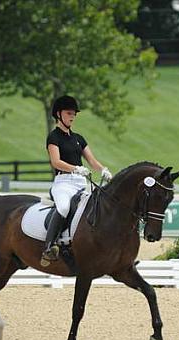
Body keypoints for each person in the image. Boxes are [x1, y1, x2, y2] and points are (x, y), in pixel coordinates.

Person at [42, 95, 112, 263]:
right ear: (59, 114)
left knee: (95, 211)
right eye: (69, 113)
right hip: (63, 183)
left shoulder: (78, 138)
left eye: (74, 114)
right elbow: (56, 162)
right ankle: (48, 247)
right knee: (65, 207)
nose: (72, 116)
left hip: (81, 184)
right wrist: (75, 168)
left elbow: (92, 161)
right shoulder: (54, 137)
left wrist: (104, 170)